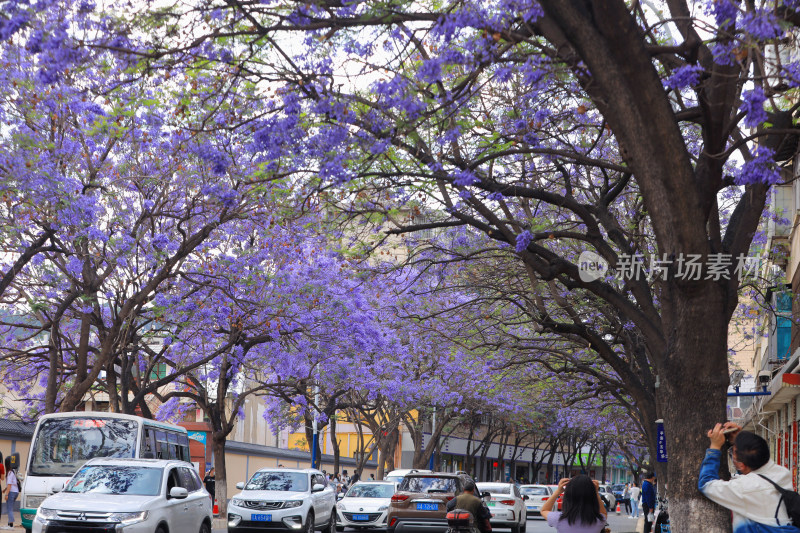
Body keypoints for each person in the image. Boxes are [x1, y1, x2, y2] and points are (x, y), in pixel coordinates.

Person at [700, 422, 800, 532]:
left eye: (733, 451)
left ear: (741, 465)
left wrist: (714, 447)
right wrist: (741, 440)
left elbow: (706, 484)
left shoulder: (745, 489)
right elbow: (749, 473)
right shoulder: (782, 473)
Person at [541, 476, 606, 533]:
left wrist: (558, 491)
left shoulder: (558, 519)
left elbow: (544, 510)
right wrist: (596, 492)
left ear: (567, 497)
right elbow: (603, 513)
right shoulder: (599, 520)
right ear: (592, 497)